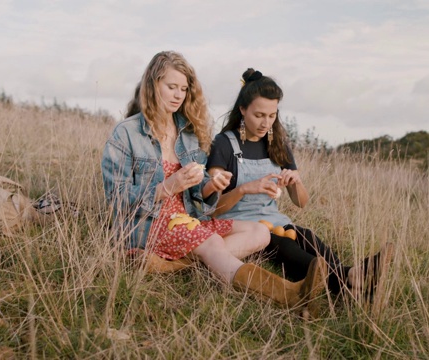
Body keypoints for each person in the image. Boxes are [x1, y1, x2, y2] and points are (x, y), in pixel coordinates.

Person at [101, 52, 327, 315]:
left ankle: (174, 265)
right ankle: (288, 294)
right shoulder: (126, 133)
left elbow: (198, 192)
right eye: (171, 87)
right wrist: (167, 187)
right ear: (152, 85)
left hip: (186, 221)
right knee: (211, 244)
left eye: (183, 89)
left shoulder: (187, 134)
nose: (178, 95)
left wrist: (212, 185)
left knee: (260, 233)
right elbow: (115, 198)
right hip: (146, 224)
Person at [206, 68, 393, 300]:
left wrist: (296, 183)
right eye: (259, 115)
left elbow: (301, 203)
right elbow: (213, 208)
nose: (266, 123)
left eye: (272, 115)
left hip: (276, 221)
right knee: (284, 247)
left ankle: (350, 285)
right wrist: (245, 188)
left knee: (308, 237)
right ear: (243, 110)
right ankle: (351, 279)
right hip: (243, 228)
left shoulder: (278, 145)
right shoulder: (223, 144)